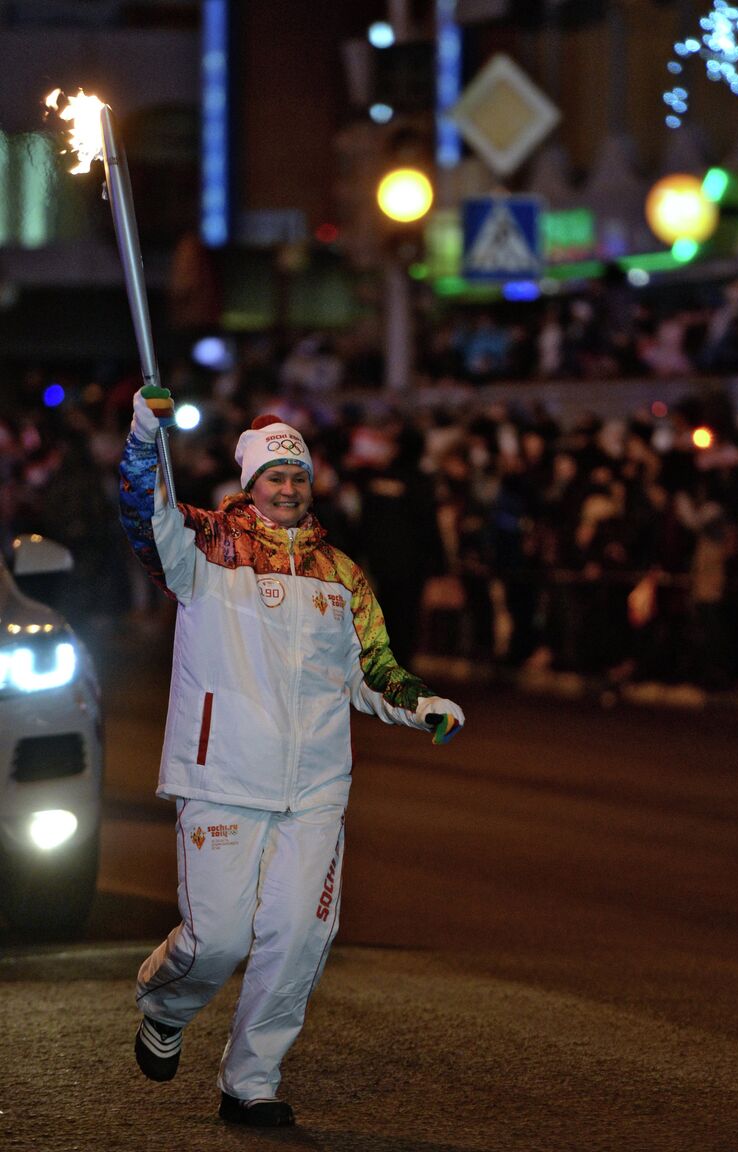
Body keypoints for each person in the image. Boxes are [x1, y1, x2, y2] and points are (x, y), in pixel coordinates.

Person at [118, 389, 465, 1130]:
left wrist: (421, 703)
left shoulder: (341, 573)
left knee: (300, 935)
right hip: (223, 776)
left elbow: (374, 667)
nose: (287, 487)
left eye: (298, 476)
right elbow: (143, 517)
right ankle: (165, 1005)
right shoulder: (204, 548)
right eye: (274, 475)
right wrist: (146, 432)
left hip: (314, 787)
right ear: (251, 483)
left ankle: (252, 1081)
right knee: (217, 940)